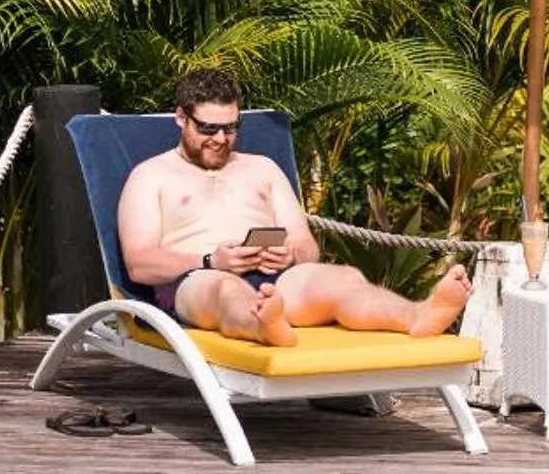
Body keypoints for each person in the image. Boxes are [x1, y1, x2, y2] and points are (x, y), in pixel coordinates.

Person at [117, 68, 470, 346]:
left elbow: (306, 245)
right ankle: (262, 325)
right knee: (228, 291)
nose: (221, 139)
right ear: (181, 118)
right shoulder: (150, 176)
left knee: (344, 279)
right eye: (209, 128)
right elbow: (140, 263)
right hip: (195, 280)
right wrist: (211, 260)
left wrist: (290, 257)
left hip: (278, 280)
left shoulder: (263, 169)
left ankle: (417, 316)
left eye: (230, 128)